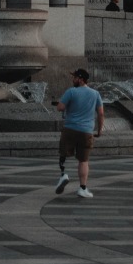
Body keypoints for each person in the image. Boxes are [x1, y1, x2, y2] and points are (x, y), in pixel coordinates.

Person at [53, 67, 102, 199]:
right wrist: (99, 130)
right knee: (84, 160)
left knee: (63, 153)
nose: (73, 79)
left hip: (70, 129)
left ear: (80, 79)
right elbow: (101, 113)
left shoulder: (71, 92)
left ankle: (63, 174)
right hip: (86, 131)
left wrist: (64, 104)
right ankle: (82, 188)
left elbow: (60, 107)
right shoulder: (95, 94)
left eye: (74, 77)